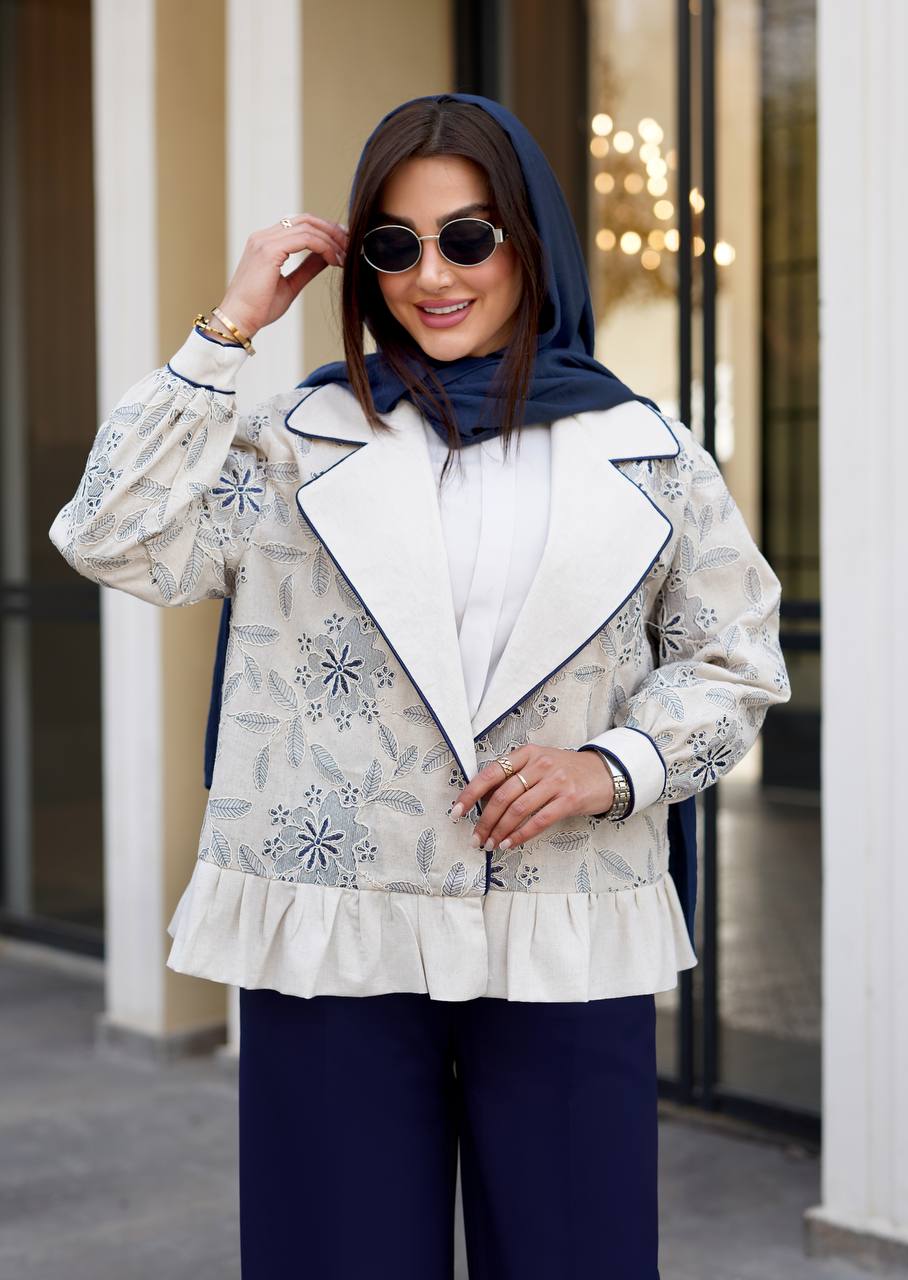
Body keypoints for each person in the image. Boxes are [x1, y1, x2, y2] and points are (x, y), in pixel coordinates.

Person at [49, 92, 790, 1279]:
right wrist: (227, 330)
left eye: (468, 237)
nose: (430, 275)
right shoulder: (292, 441)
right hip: (333, 922)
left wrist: (613, 765)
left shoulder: (650, 451)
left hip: (564, 916)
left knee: (577, 1257)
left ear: (531, 243)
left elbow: (734, 656)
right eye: (394, 244)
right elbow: (108, 533)